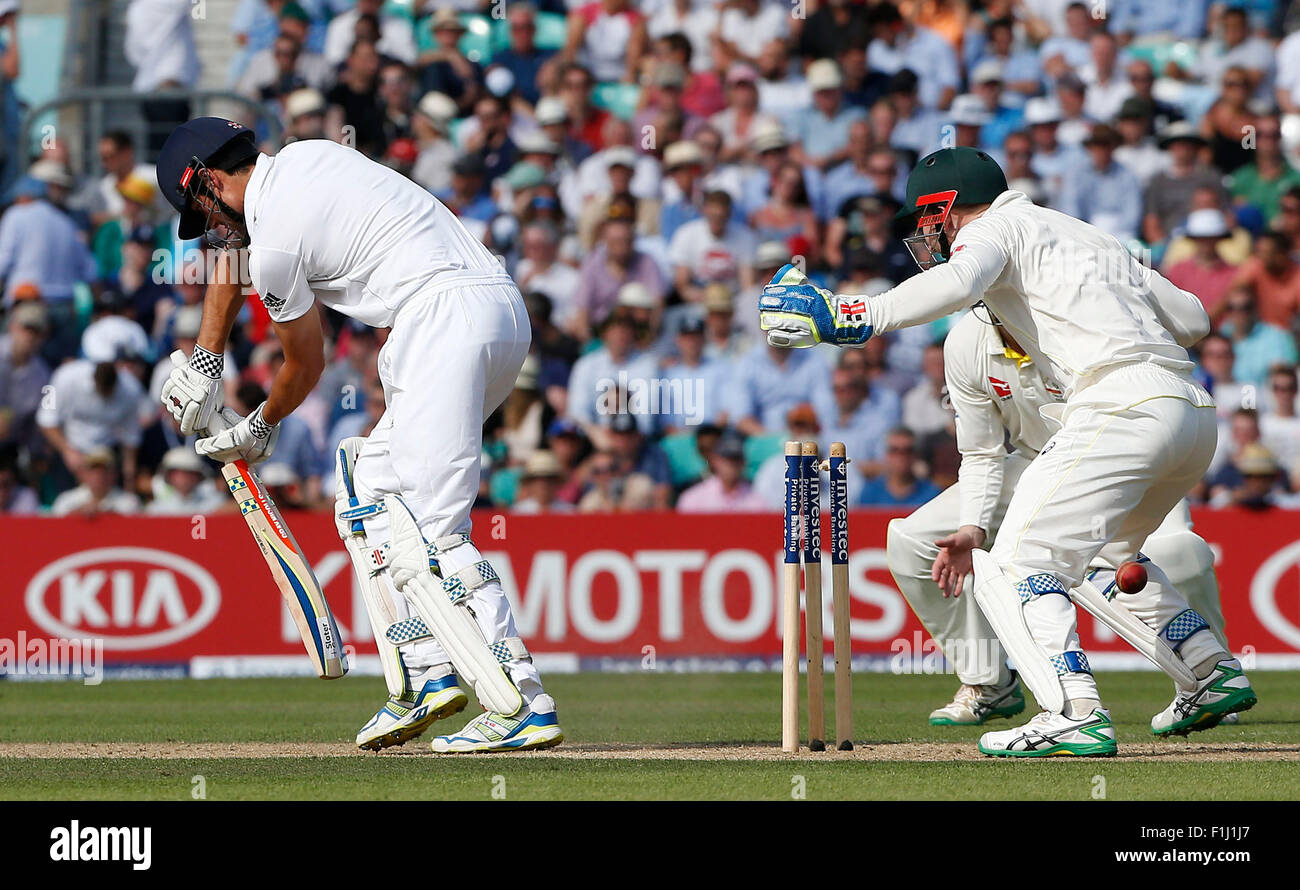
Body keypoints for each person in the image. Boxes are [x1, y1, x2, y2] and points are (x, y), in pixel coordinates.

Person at [759, 146, 1255, 756]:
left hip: (1118, 407)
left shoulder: (993, 227)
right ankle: (1209, 669)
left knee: (1017, 563)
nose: (923, 235)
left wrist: (848, 315)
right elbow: (1195, 318)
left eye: (925, 220)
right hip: (1190, 411)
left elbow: (958, 279)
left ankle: (1071, 712)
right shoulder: (1088, 237)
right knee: (1102, 561)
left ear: (945, 207)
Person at [153, 117, 561, 753]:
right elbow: (235, 257)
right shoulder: (306, 157)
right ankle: (424, 674)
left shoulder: (276, 245)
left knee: (433, 528)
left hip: (439, 321)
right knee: (365, 483)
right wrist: (207, 361)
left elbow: (306, 364)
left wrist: (259, 425)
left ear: (205, 179)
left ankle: (522, 698)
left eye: (201, 212)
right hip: (495, 314)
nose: (211, 232)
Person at [887, 310, 1232, 726]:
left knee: (1181, 552)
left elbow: (1188, 319)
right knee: (912, 541)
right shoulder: (965, 342)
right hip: (1035, 466)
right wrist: (972, 527)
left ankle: (1211, 680)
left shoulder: (1072, 316)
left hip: (1119, 460)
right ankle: (989, 682)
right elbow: (982, 452)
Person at [676, 429, 768, 512]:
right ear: (714, 461)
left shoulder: (756, 499)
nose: (731, 465)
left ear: (743, 462)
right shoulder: (693, 498)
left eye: (735, 459)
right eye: (726, 459)